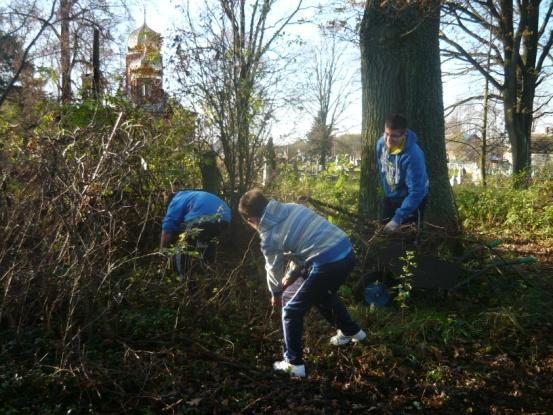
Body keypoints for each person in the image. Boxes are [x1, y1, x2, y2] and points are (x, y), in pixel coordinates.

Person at [239, 189, 366, 378]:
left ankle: (294, 363)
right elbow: (302, 247)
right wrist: (290, 275)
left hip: (327, 261)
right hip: (346, 251)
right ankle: (353, 332)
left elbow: (272, 269)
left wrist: (276, 293)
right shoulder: (292, 207)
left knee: (291, 310)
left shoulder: (268, 237)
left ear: (251, 220)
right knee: (321, 294)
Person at [160, 190, 231, 281]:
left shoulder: (175, 200)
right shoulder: (189, 195)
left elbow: (167, 230)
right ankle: (209, 274)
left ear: (169, 199)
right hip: (225, 218)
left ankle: (181, 279)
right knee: (205, 240)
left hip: (201, 218)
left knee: (180, 245)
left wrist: (162, 253)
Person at [376, 114, 429, 233]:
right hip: (392, 196)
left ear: (404, 135)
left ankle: (410, 251)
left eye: (394, 136)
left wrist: (398, 219)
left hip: (413, 199)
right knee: (386, 234)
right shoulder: (380, 144)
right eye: (387, 134)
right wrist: (386, 191)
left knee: (408, 237)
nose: (389, 140)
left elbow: (417, 191)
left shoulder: (413, 155)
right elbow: (382, 169)